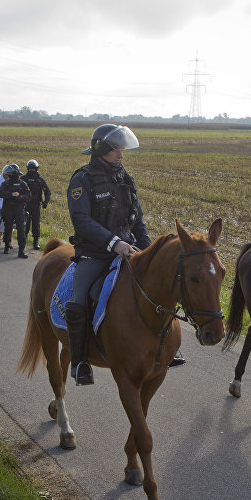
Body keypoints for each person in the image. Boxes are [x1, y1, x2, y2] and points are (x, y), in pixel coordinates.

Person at [64, 124, 151, 385]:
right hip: (95, 254)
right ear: (102, 148)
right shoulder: (82, 179)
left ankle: (164, 348)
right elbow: (81, 220)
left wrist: (149, 250)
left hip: (128, 250)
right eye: (117, 150)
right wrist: (113, 243)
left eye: (123, 150)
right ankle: (80, 362)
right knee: (78, 300)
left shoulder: (124, 177)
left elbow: (137, 220)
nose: (121, 155)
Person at [0, 164, 31, 258]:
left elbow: (28, 196)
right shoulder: (6, 183)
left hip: (19, 209)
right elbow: (0, 193)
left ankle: (21, 250)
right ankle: (7, 246)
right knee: (8, 228)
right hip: (8, 209)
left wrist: (19, 197)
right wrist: (11, 194)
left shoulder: (23, 184)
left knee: (21, 229)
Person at [22, 159, 52, 250]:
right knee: (25, 224)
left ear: (36, 169)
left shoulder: (40, 180)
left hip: (36, 205)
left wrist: (45, 202)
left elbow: (47, 192)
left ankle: (35, 242)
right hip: (25, 205)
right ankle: (23, 241)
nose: (32, 170)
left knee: (36, 224)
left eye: (33, 169)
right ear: (27, 169)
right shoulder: (23, 179)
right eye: (30, 169)